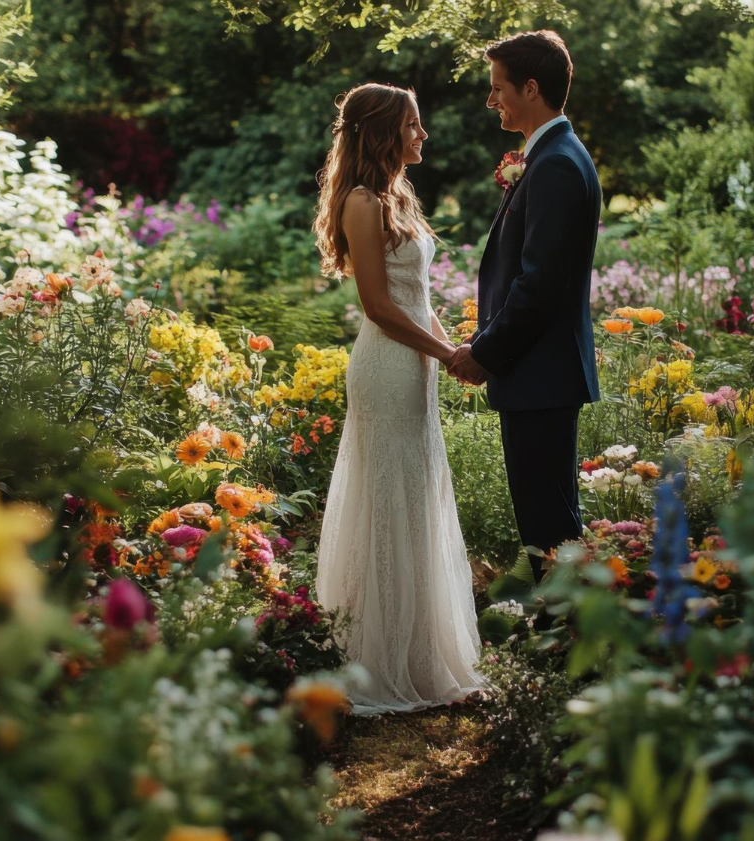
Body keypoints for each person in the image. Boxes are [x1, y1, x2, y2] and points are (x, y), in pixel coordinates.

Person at [311, 83, 484, 715]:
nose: (423, 135)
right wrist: (446, 355)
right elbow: (379, 308)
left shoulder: (397, 198)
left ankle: (420, 650)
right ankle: (378, 659)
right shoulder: (361, 202)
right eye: (414, 124)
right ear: (385, 131)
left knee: (416, 493)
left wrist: (458, 351)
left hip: (418, 365)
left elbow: (418, 300)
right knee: (387, 496)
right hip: (386, 369)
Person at [446, 31, 602, 582]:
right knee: (546, 519)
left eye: (497, 88)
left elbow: (539, 285)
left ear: (530, 88)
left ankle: (567, 640)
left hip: (541, 373)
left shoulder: (556, 164)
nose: (491, 101)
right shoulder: (553, 156)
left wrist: (485, 352)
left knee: (550, 524)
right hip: (541, 374)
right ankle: (564, 632)